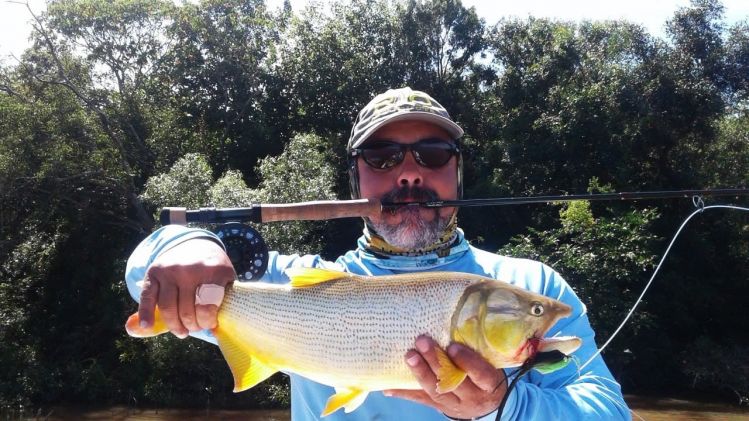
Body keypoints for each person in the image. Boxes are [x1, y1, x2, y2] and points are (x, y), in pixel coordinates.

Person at [126, 87, 631, 420]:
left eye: (432, 154)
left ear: (456, 173)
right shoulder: (290, 284)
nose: (409, 173)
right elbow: (143, 272)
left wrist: (507, 404)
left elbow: (609, 412)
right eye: (383, 157)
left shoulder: (533, 291)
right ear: (357, 178)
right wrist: (191, 243)